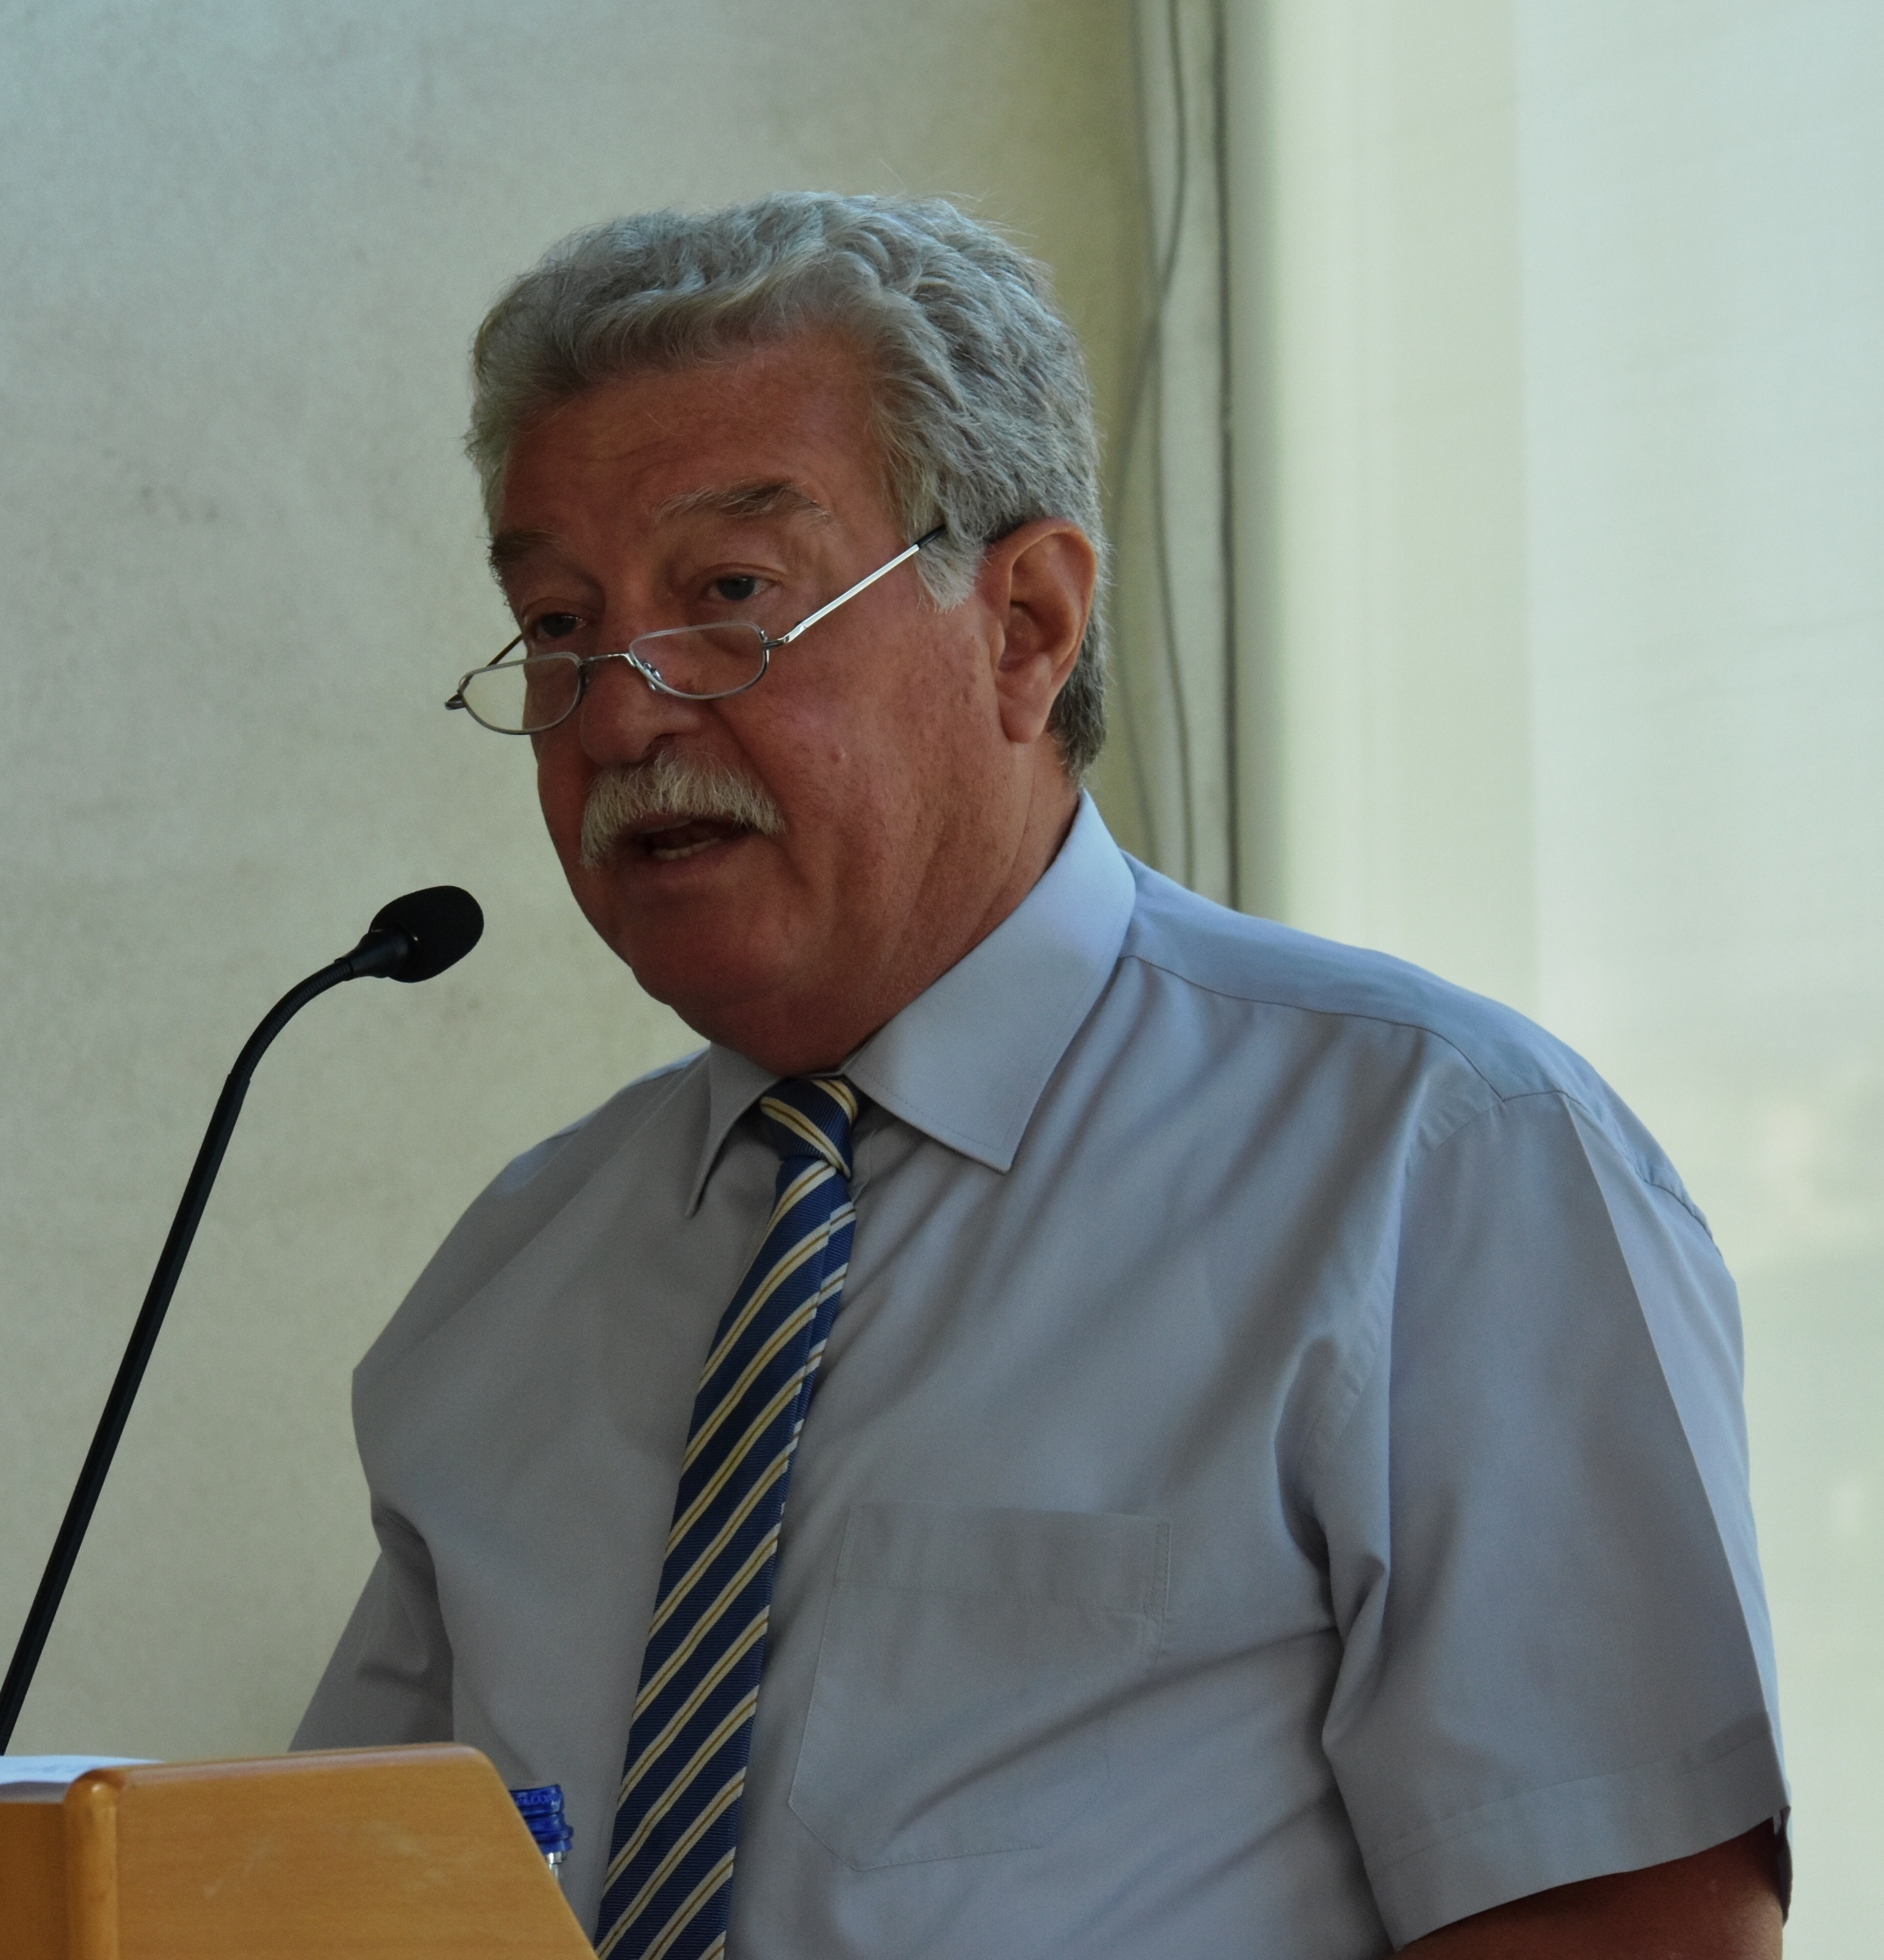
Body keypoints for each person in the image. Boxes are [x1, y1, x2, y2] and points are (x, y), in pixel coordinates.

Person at [292, 194, 1787, 1958]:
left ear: (1026, 624)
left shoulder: (1434, 1159)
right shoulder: (517, 1279)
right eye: (557, 624)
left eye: (731, 596)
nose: (620, 713)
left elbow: (1629, 1918)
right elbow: (323, 1907)